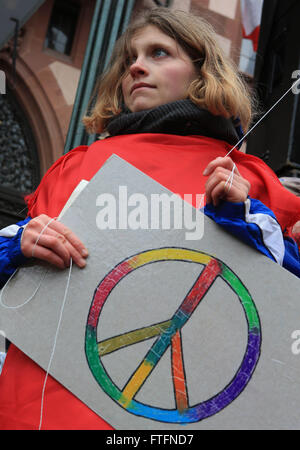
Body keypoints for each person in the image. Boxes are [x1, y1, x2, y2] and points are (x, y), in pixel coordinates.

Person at [0, 7, 300, 430]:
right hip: (49, 409)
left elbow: (287, 315)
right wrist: (18, 245)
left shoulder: (249, 180)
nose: (136, 67)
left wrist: (250, 222)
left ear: (202, 73)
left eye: (159, 53)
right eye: (129, 61)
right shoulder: (74, 166)